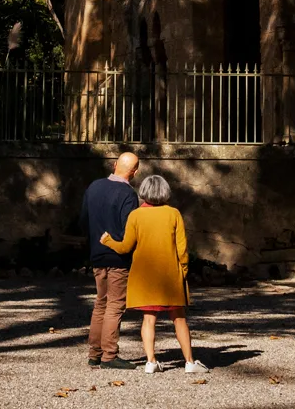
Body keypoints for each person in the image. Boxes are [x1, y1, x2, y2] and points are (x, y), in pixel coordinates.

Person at [100, 173, 205, 374]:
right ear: (165, 192)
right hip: (170, 275)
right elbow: (182, 248)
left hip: (144, 277)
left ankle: (151, 361)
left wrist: (107, 241)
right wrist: (182, 270)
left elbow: (125, 247)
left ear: (144, 192)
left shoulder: (136, 215)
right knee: (179, 319)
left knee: (149, 319)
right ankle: (190, 362)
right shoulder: (173, 213)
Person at [80, 151, 140, 369]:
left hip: (97, 253)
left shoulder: (94, 187)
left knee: (100, 304)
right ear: (135, 172)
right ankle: (109, 355)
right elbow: (129, 229)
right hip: (118, 256)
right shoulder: (128, 194)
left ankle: (94, 352)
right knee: (115, 305)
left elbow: (83, 220)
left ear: (114, 165)